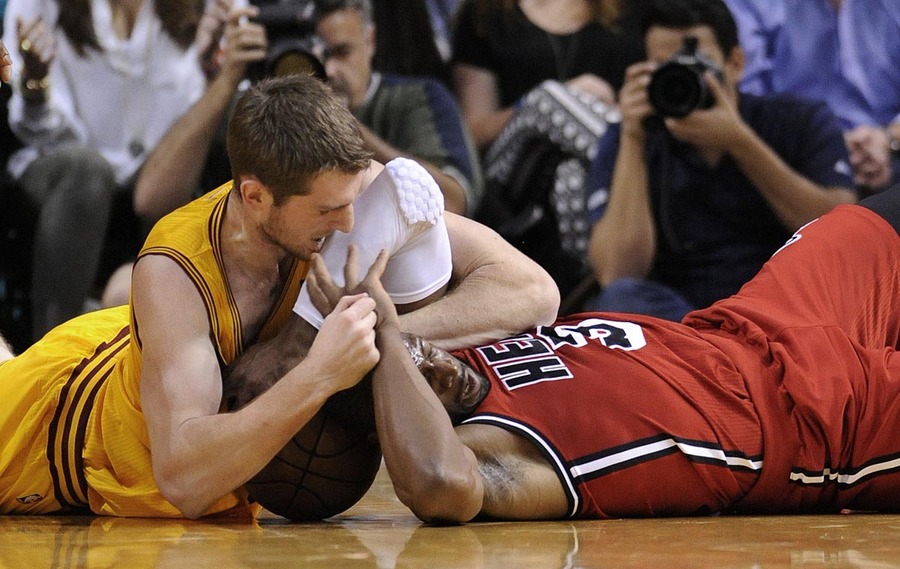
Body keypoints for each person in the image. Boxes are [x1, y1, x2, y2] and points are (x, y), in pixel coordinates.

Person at [0, 74, 560, 518]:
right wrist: (320, 370)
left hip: (146, 349)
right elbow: (183, 481)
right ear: (256, 197)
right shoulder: (175, 269)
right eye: (326, 210)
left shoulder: (344, 194)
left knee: (409, 195)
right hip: (62, 423)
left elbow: (533, 292)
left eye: (352, 198)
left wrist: (387, 338)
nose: (346, 221)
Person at [309, 184, 900, 522]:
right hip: (818, 419)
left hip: (751, 323)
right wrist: (383, 334)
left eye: (416, 351)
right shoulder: (500, 445)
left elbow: (436, 200)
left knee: (869, 218)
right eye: (405, 369)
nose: (427, 356)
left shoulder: (471, 358)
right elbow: (440, 485)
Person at [583, 0, 856, 322]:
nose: (683, 76)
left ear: (736, 63)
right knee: (622, 297)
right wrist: (633, 139)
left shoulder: (799, 120)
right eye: (664, 66)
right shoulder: (629, 135)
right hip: (678, 323)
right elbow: (616, 272)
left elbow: (842, 236)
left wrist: (740, 142)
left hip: (777, 309)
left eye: (698, 65)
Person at [2, 0, 215, 340]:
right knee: (87, 171)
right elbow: (33, 130)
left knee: (232, 118)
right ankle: (55, 359)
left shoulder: (206, 7)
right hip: (59, 172)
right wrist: (36, 84)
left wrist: (217, 71)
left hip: (158, 177)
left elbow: (201, 99)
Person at [450, 0, 643, 300]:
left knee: (572, 176)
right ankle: (651, 177)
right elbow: (471, 134)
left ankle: (587, 296)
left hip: (586, 164)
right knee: (549, 96)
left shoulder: (625, 12)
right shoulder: (487, 14)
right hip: (513, 169)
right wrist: (568, 94)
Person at [723, 0, 900, 193]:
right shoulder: (750, 5)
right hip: (791, 160)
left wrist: (888, 138)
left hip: (890, 151)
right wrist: (824, 147)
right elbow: (745, 102)